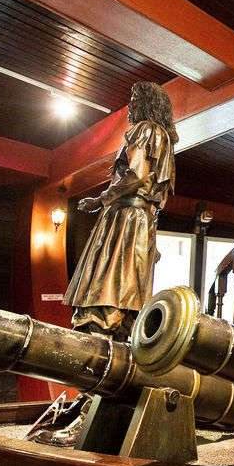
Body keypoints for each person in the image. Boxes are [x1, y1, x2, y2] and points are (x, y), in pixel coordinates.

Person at [64, 81, 178, 341]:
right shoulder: (161, 136)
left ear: (147, 103)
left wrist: (100, 199)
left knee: (111, 273)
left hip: (126, 216)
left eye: (135, 98)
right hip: (141, 218)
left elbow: (136, 175)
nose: (130, 105)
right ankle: (117, 325)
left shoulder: (146, 130)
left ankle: (103, 322)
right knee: (128, 278)